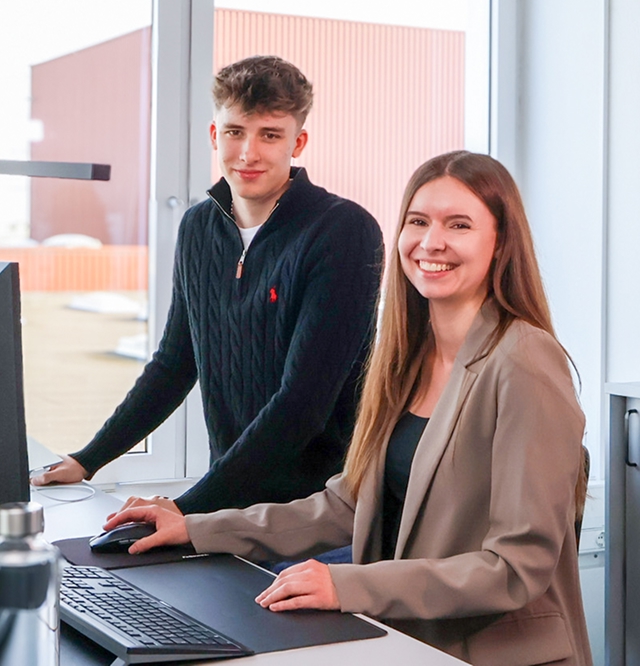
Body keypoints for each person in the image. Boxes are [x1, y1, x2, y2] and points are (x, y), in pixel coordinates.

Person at [104, 150, 592, 666]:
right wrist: (197, 526)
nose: (432, 242)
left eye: (460, 224)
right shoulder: (407, 356)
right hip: (410, 643)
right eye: (418, 221)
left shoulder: (524, 361)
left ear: (500, 244)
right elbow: (347, 505)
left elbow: (517, 566)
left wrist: (347, 584)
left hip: (494, 654)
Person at [33, 56, 384, 517]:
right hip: (232, 505)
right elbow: (175, 363)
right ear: (215, 134)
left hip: (321, 514)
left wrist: (187, 508)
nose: (248, 153)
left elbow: (301, 406)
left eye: (270, 135)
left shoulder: (343, 232)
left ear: (297, 143)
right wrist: (88, 458)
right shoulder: (198, 226)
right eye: (236, 132)